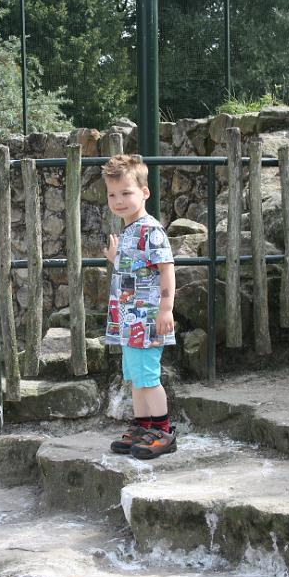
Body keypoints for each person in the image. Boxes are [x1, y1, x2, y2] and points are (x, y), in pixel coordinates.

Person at [102, 154, 177, 460]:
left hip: (146, 320)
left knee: (147, 377)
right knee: (135, 377)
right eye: (112, 195)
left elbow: (166, 268)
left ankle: (163, 431)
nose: (118, 201)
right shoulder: (129, 230)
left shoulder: (150, 230)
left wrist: (166, 309)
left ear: (145, 192)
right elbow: (135, 268)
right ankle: (143, 426)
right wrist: (116, 258)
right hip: (128, 320)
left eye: (126, 193)